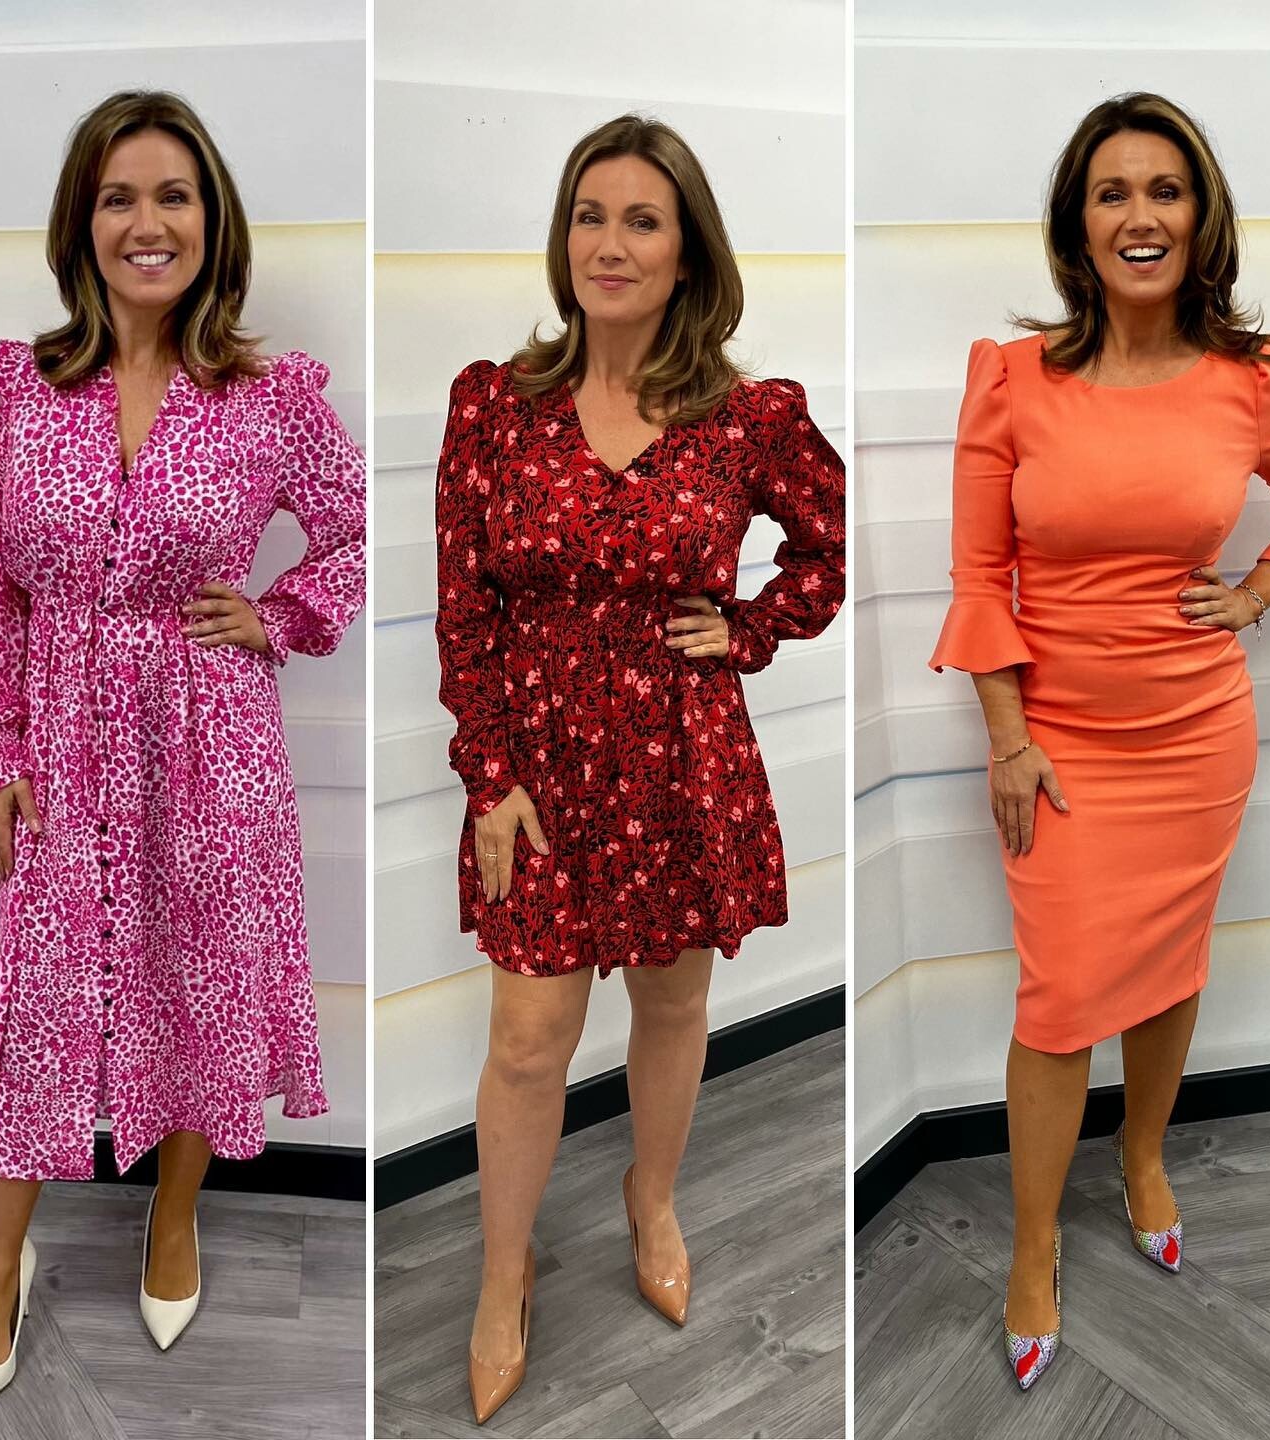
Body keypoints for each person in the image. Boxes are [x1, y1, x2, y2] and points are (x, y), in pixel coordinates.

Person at [0, 90, 366, 1420]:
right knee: (40, 1008)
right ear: (83, 222)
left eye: (172, 195)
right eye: (118, 196)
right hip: (65, 744)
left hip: (212, 744)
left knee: (199, 984)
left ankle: (173, 1217)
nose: (147, 222)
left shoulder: (269, 398)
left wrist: (281, 615)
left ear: (210, 220)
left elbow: (356, 533)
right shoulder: (25, 387)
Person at [433, 113, 846, 1425]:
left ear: (688, 254)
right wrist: (487, 774)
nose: (609, 244)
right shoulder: (495, 407)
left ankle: (649, 1196)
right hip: (539, 769)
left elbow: (828, 549)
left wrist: (751, 629)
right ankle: (504, 1271)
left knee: (672, 1005)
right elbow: (465, 610)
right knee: (528, 1039)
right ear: (564, 241)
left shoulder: (747, 420)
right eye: (589, 216)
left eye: (642, 221)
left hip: (681, 757)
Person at [928, 91, 1270, 1392]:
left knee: (1168, 964)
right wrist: (1007, 738)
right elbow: (980, 576)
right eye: (1113, 192)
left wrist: (1256, 596)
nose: (1140, 215)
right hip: (1054, 744)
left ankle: (1143, 1154)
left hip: (1198, 739)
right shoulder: (1013, 379)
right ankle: (1032, 1244)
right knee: (1057, 1001)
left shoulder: (1250, 382)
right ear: (1078, 224)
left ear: (1201, 217)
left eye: (1166, 190)